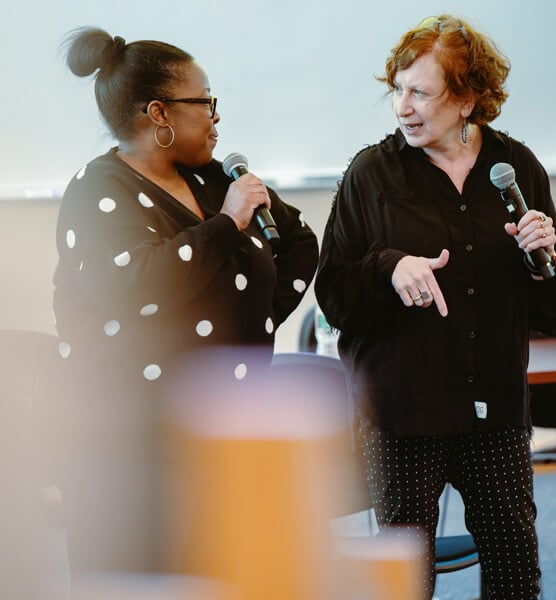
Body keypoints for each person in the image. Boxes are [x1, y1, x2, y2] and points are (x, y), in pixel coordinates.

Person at [315, 14, 556, 599]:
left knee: (515, 569)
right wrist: (389, 267)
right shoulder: (371, 173)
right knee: (405, 581)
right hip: (402, 412)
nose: (402, 107)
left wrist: (544, 257)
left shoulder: (518, 168)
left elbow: (552, 309)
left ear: (469, 100)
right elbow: (332, 293)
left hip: (495, 407)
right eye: (397, 90)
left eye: (421, 93)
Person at [49, 27, 318, 575]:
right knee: (147, 579)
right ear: (159, 113)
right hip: (128, 448)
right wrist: (226, 225)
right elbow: (138, 287)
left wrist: (253, 321)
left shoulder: (215, 178)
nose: (216, 117)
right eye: (205, 102)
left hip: (223, 432)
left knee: (223, 575)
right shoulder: (97, 190)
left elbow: (297, 243)